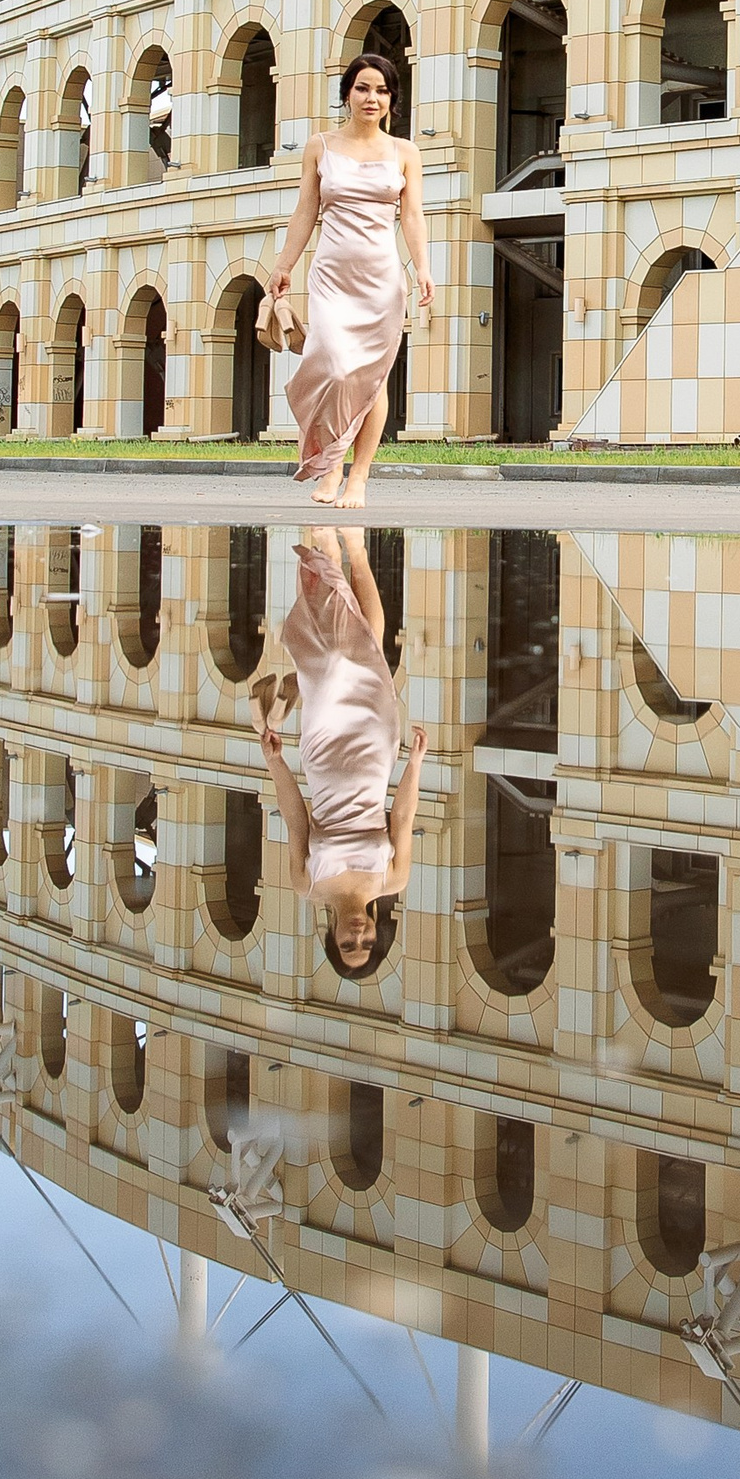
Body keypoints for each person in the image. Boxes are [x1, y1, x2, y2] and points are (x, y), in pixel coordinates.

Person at [253, 530, 426, 970]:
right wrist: (414, 765)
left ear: (331, 936)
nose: (358, 937)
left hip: (324, 754)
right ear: (374, 933)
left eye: (348, 946)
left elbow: (295, 818)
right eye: (367, 943)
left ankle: (327, 563)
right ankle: (352, 551)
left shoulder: (306, 883)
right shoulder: (393, 879)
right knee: (367, 652)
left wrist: (275, 762)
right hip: (372, 750)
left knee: (335, 665)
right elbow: (402, 818)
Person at [267, 52, 434, 506]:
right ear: (347, 93)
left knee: (371, 379)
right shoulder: (320, 146)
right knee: (336, 367)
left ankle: (356, 476)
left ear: (392, 99)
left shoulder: (405, 152)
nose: (371, 98)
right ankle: (330, 463)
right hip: (331, 278)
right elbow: (305, 212)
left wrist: (422, 267)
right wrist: (283, 266)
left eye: (381, 90)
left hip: (382, 280)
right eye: (363, 87)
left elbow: (412, 216)